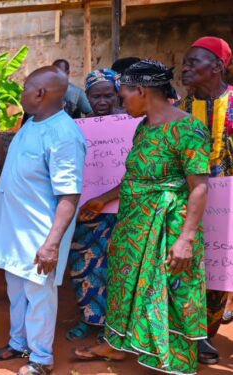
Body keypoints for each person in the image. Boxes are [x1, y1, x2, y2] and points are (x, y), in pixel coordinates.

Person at [74, 60, 210, 375]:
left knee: (170, 288)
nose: (123, 103)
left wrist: (185, 239)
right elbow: (136, 176)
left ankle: (172, 359)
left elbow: (200, 187)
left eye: (124, 96)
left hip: (168, 224)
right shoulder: (142, 126)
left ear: (141, 90)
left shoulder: (188, 128)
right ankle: (115, 344)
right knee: (123, 283)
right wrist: (102, 199)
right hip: (133, 224)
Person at [0, 66, 86, 375]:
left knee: (39, 296)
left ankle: (41, 359)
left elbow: (69, 195)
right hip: (15, 231)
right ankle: (19, 344)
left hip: (40, 234)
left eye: (26, 89)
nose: (21, 94)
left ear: (40, 93)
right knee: (16, 291)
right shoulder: (32, 124)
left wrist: (51, 245)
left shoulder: (64, 134)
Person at [178, 36, 232, 365]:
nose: (184, 68)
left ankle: (206, 335)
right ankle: (190, 334)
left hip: (228, 207)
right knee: (187, 269)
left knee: (219, 273)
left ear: (217, 67)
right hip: (188, 204)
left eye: (193, 62)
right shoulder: (181, 109)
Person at [65, 69, 121, 341]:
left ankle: (112, 326)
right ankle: (89, 319)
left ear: (117, 95)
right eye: (95, 96)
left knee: (116, 268)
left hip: (121, 211)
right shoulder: (76, 128)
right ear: (86, 97)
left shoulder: (131, 125)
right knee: (84, 266)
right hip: (85, 211)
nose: (102, 101)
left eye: (108, 95)